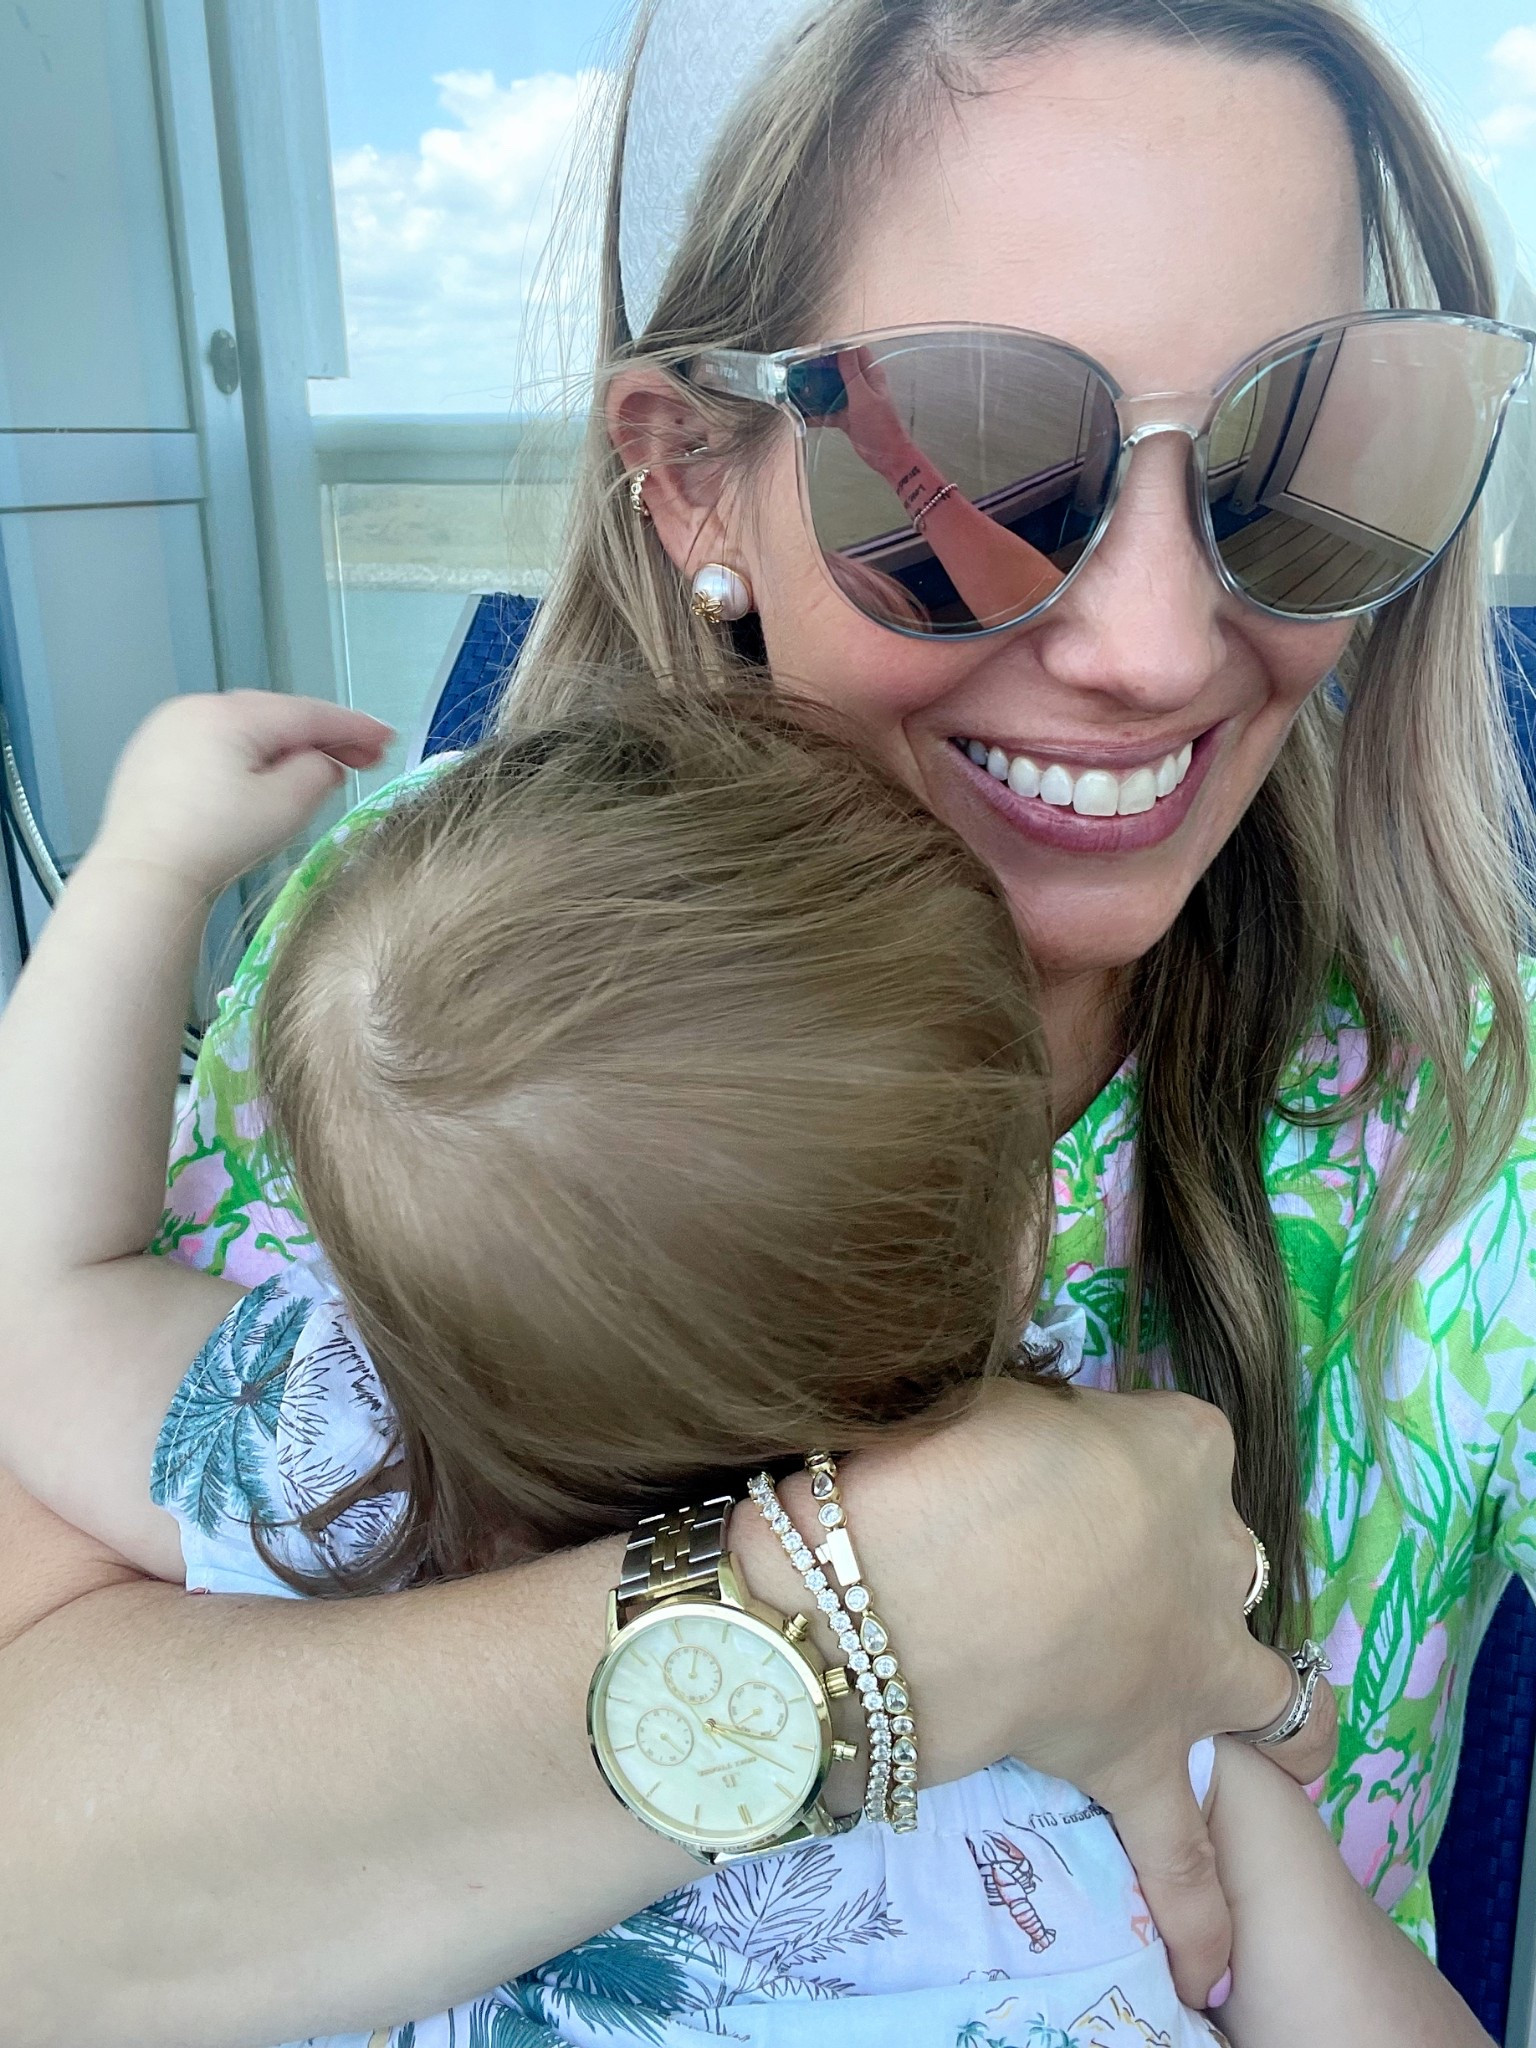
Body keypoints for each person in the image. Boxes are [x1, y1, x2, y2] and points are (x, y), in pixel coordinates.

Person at [0, 0, 1531, 2040]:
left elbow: (57, 1320)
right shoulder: (421, 966)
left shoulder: (1465, 1103)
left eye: (1311, 449)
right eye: (976, 460)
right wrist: (909, 1610)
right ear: (693, 479)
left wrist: (132, 874)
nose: (1160, 648)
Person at [0, 684, 1490, 2047]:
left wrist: (147, 870)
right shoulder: (1123, 1697)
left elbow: (41, 1288)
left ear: (363, 1286)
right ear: (1017, 1242)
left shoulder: (324, 1459)